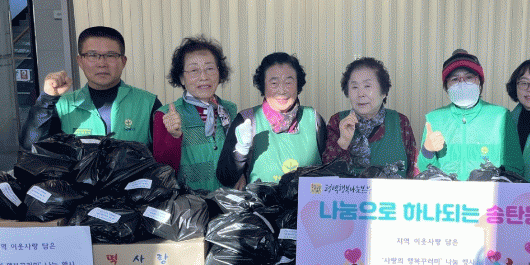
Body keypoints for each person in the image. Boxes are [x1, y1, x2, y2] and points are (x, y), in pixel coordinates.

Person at [19, 26, 161, 149]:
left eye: (110, 55)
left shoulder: (147, 103)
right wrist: (47, 99)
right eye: (92, 55)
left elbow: (163, 157)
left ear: (123, 61)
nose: (102, 63)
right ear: (80, 61)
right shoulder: (63, 106)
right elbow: (30, 145)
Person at [217, 52, 326, 186]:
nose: (282, 90)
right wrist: (240, 151)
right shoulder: (247, 120)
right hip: (262, 200)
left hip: (308, 199)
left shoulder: (313, 119)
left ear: (298, 85)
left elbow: (330, 169)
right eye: (274, 83)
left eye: (288, 82)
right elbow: (225, 178)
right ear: (263, 86)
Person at [417, 49, 524, 179]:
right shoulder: (435, 118)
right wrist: (427, 150)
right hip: (446, 191)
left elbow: (515, 167)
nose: (462, 83)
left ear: (479, 81)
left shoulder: (500, 116)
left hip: (487, 191)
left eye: (469, 77)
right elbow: (424, 169)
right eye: (455, 79)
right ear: (446, 86)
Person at [153, 36, 237, 191]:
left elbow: (238, 153)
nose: (203, 77)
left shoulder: (229, 110)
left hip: (227, 198)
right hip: (189, 201)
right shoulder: (164, 115)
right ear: (181, 78)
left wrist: (241, 174)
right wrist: (174, 136)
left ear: (219, 73)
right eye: (194, 70)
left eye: (210, 68)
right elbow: (162, 172)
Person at [322, 57, 418, 177]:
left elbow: (413, 171)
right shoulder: (337, 121)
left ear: (384, 92)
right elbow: (326, 176)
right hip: (347, 190)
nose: (360, 94)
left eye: (367, 86)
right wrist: (343, 142)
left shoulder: (400, 122)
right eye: (354, 87)